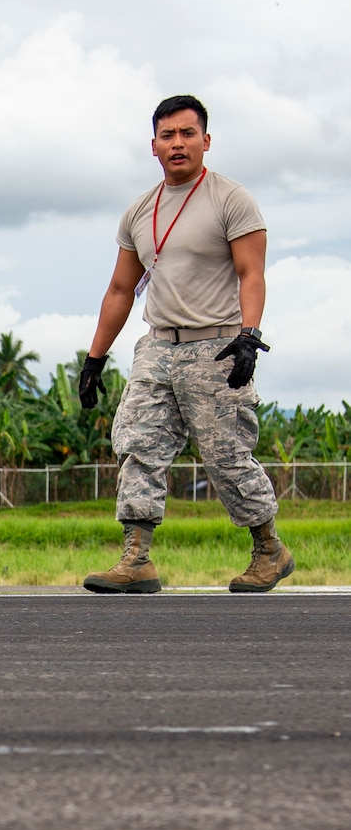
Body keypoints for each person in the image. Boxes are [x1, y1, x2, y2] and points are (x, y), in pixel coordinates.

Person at [79, 93, 293, 595]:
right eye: (168, 135)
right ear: (153, 145)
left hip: (216, 346)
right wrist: (95, 356)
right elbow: (120, 289)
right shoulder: (139, 210)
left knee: (226, 454)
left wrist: (249, 335)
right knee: (138, 444)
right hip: (157, 346)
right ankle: (136, 558)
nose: (178, 143)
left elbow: (251, 274)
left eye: (188, 133)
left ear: (206, 140)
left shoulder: (231, 199)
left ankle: (269, 549)